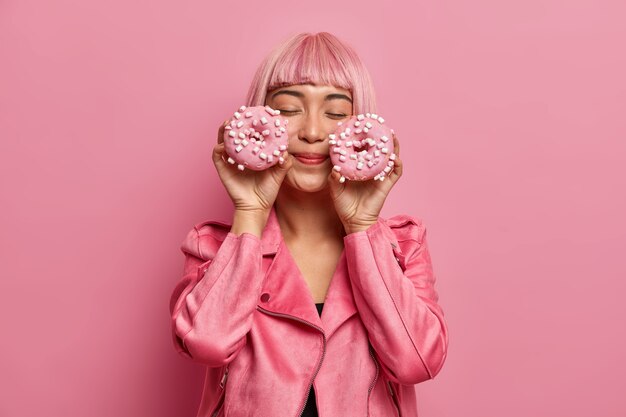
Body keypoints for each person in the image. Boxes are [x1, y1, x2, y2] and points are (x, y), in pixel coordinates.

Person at [169, 32, 449, 417]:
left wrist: (362, 227)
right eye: (287, 109)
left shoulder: (404, 245)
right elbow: (207, 344)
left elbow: (416, 362)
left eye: (335, 113)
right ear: (258, 120)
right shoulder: (215, 246)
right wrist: (249, 213)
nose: (313, 132)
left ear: (361, 126)